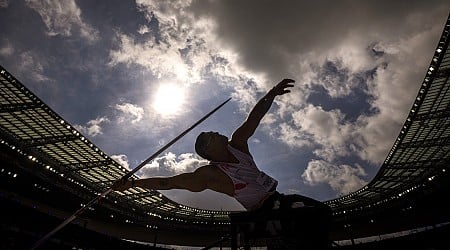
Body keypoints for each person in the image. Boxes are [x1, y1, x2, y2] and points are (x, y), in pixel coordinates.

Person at [112, 79, 331, 246]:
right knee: (310, 220)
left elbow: (254, 118)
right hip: (264, 211)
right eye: (211, 135)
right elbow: (169, 183)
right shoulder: (210, 175)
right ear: (208, 151)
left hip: (279, 199)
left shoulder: (238, 144)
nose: (217, 132)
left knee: (323, 212)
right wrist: (132, 184)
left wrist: (271, 94)